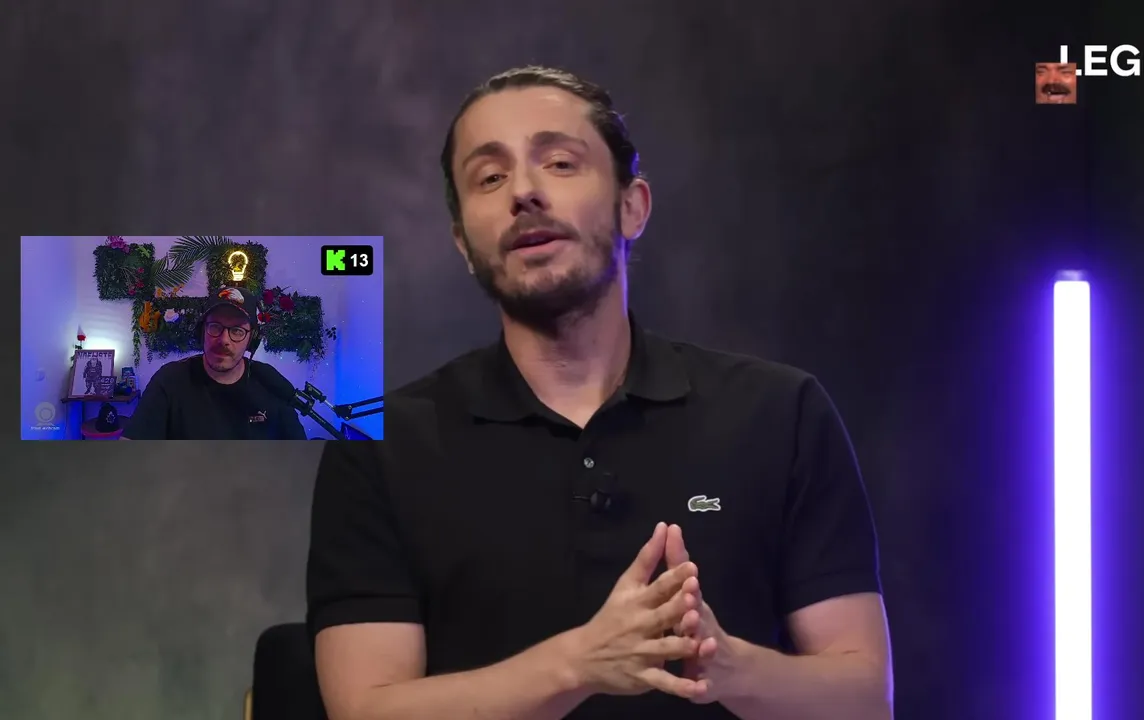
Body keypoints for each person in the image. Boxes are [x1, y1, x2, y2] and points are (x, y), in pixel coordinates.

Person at [307, 66, 892, 720]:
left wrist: (730, 668)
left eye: (559, 163)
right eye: (490, 177)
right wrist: (579, 665)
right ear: (464, 244)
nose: (523, 192)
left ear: (632, 206)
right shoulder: (379, 446)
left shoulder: (780, 414)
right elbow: (365, 711)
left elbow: (865, 700)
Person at [121, 287, 308, 440]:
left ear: (252, 339)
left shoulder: (271, 383)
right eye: (215, 326)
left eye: (237, 330)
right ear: (202, 331)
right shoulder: (169, 380)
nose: (224, 340)